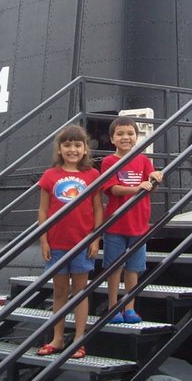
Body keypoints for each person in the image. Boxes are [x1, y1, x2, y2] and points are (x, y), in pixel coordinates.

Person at [36, 124, 103, 358]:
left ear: (85, 148)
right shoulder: (50, 176)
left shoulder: (92, 175)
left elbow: (97, 209)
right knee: (60, 293)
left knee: (80, 292)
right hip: (56, 244)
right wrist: (44, 241)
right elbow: (43, 211)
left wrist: (95, 239)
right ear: (59, 149)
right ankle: (57, 338)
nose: (72, 149)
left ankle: (78, 339)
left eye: (77, 145)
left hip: (82, 243)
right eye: (67, 145)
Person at [101, 117, 163, 324]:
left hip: (139, 224)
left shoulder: (144, 161)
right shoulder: (109, 162)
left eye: (130, 133)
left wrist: (155, 179)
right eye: (120, 134)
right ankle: (112, 307)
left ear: (136, 137)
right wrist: (137, 188)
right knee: (114, 267)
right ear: (112, 139)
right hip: (116, 224)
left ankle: (129, 307)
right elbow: (112, 189)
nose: (125, 137)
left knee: (133, 268)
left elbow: (150, 189)